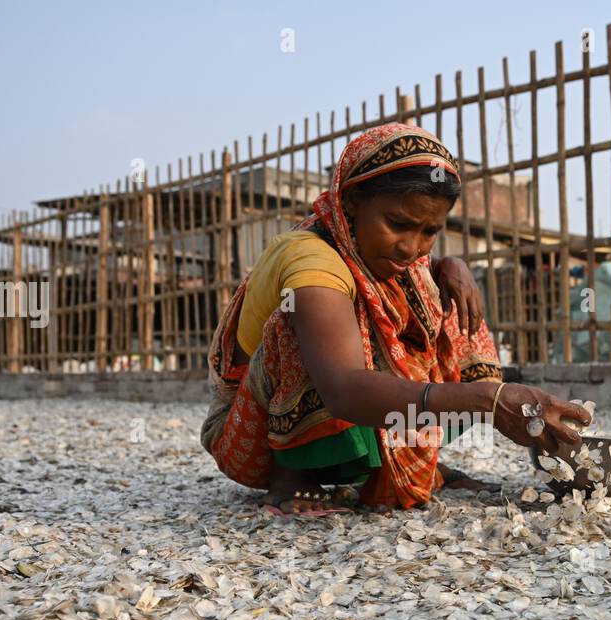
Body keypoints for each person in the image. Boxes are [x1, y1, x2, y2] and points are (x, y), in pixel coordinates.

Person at [201, 123, 589, 515]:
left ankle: (408, 460)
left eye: (430, 232)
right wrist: (490, 400)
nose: (411, 247)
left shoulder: (380, 251)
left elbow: (417, 264)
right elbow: (344, 389)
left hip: (349, 409)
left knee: (447, 307)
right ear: (351, 200)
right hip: (251, 438)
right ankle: (291, 479)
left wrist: (448, 265)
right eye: (398, 224)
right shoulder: (310, 259)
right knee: (301, 321)